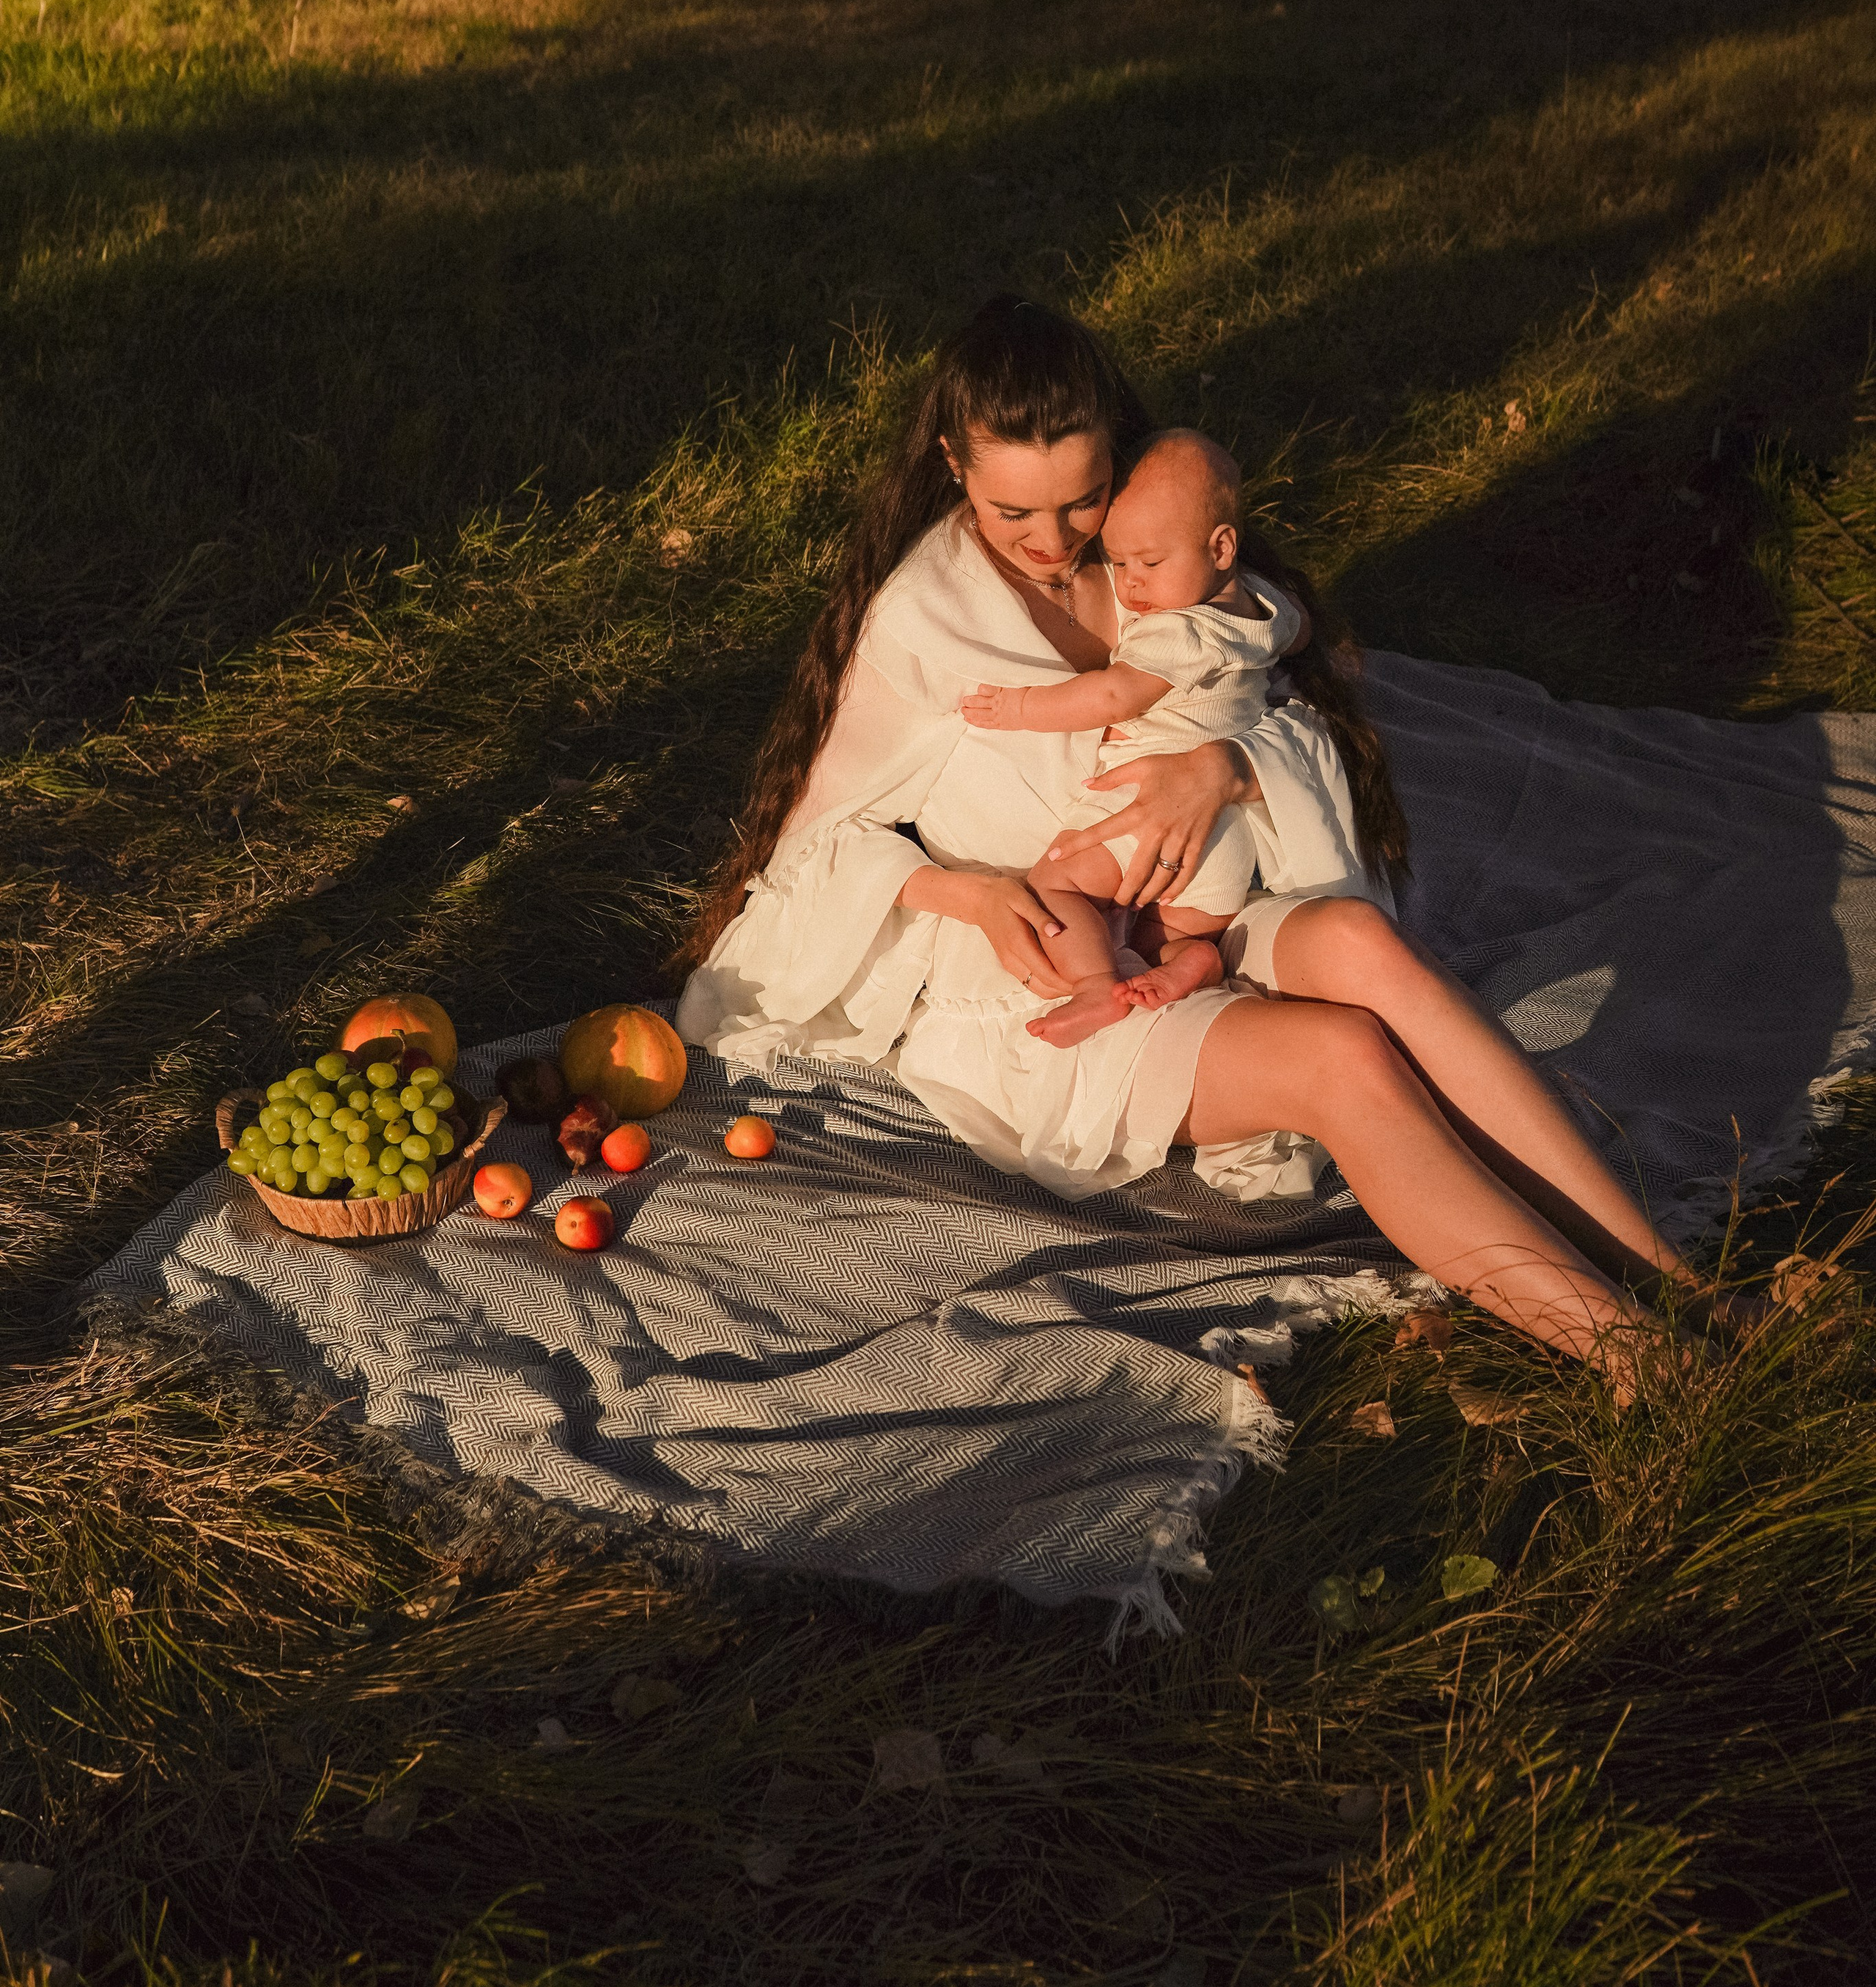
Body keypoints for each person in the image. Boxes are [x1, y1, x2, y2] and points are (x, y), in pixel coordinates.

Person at [677, 295, 1715, 1382]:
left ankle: (1683, 1285)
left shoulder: (1153, 554)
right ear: (950, 464)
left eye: (1079, 503)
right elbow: (814, 849)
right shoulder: (921, 622)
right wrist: (975, 898)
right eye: (1011, 513)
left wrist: (1223, 766)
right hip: (1052, 965)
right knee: (1344, 1054)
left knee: (1361, 947)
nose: (1051, 542)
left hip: (1207, 897)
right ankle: (1641, 1361)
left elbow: (1277, 703)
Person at [961, 425, 1367, 1046]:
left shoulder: (1178, 631)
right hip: (1225, 842)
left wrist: (1019, 707)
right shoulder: (1263, 609)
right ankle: (1193, 956)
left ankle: (1095, 985)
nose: (1131, 585)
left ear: (1222, 547)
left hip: (1145, 807)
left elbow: (1112, 694)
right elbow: (1304, 630)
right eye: (1119, 563)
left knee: (1055, 887)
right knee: (1162, 932)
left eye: (1150, 563)